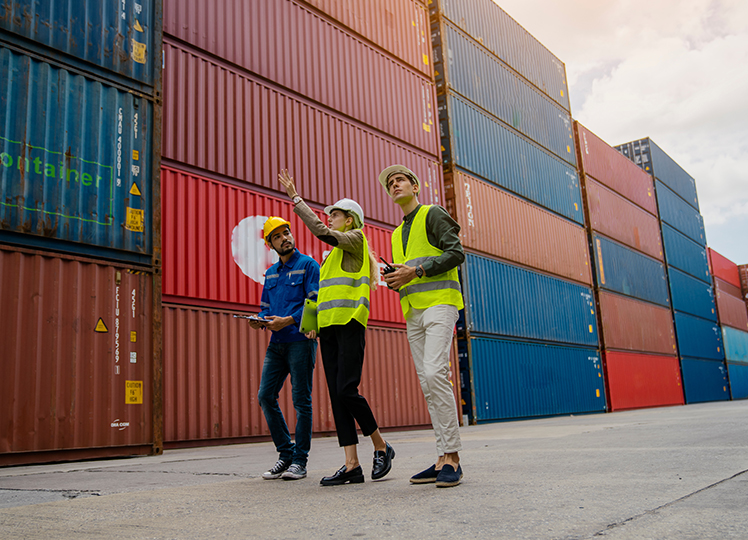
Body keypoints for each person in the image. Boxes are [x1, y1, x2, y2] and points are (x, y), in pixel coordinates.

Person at [278, 169, 395, 486]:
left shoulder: (356, 241)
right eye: (330, 215)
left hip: (350, 325)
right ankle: (351, 465)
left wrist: (296, 199)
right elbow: (321, 294)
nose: (330, 218)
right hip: (328, 330)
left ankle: (382, 446)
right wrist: (311, 322)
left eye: (336, 215)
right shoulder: (330, 258)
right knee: (336, 394)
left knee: (347, 390)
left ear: (351, 220)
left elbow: (322, 233)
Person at [378, 164, 465, 488]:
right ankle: (442, 456)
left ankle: (453, 457)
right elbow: (407, 271)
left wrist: (415, 272)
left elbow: (456, 253)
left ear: (415, 186)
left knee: (434, 373)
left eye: (400, 179)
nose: (394, 184)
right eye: (390, 183)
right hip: (413, 311)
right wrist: (394, 279)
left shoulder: (433, 214)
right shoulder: (396, 233)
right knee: (428, 385)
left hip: (440, 304)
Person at [250, 216, 320, 481]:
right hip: (276, 344)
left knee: (301, 401)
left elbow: (315, 304)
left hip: (301, 342)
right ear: (270, 244)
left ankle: (300, 461)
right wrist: (260, 321)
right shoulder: (270, 273)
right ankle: (286, 453)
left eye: (287, 232)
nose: (285, 238)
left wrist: (288, 320)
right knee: (265, 396)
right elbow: (266, 308)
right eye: (277, 236)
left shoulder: (308, 265)